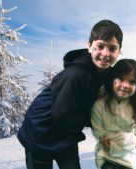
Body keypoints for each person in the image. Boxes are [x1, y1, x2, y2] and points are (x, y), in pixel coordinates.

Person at [17, 19, 123, 169]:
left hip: (66, 134)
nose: (106, 54)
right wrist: (100, 123)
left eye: (112, 49)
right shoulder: (77, 74)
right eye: (100, 46)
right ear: (89, 46)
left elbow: (128, 76)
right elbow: (62, 115)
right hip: (40, 131)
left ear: (119, 51)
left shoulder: (105, 71)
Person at [91, 59, 136, 169]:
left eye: (132, 82)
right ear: (112, 80)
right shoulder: (100, 104)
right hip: (106, 156)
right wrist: (127, 139)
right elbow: (98, 132)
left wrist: (117, 140)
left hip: (128, 159)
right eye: (121, 79)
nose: (125, 85)